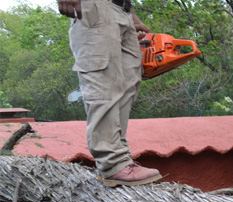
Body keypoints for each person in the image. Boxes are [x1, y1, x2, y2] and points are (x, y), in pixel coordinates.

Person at [57, 0, 162, 187]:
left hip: (122, 11)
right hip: (95, 7)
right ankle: (112, 164)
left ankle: (119, 160)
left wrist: (130, 13)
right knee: (103, 84)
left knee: (128, 83)